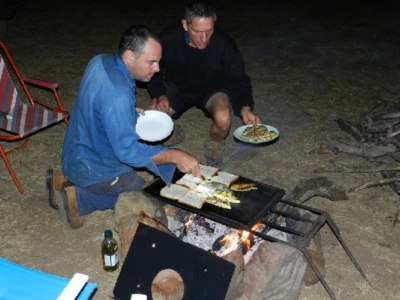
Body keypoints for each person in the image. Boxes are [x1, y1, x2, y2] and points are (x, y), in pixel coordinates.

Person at [46, 25, 200, 229]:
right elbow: (128, 152)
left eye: (158, 62)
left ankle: (62, 178)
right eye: (151, 62)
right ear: (129, 57)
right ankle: (78, 198)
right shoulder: (118, 95)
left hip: (77, 152)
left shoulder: (101, 60)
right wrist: (173, 155)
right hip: (96, 168)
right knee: (149, 199)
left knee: (169, 160)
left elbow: (98, 101)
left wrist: (126, 111)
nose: (157, 69)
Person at [146, 0, 261, 168]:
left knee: (224, 118)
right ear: (185, 25)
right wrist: (160, 93)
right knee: (149, 119)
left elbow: (238, 78)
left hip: (212, 91)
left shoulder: (223, 43)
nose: (204, 38)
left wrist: (245, 107)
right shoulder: (168, 39)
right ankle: (171, 131)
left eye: (209, 30)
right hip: (178, 88)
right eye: (198, 31)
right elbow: (153, 69)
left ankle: (214, 145)